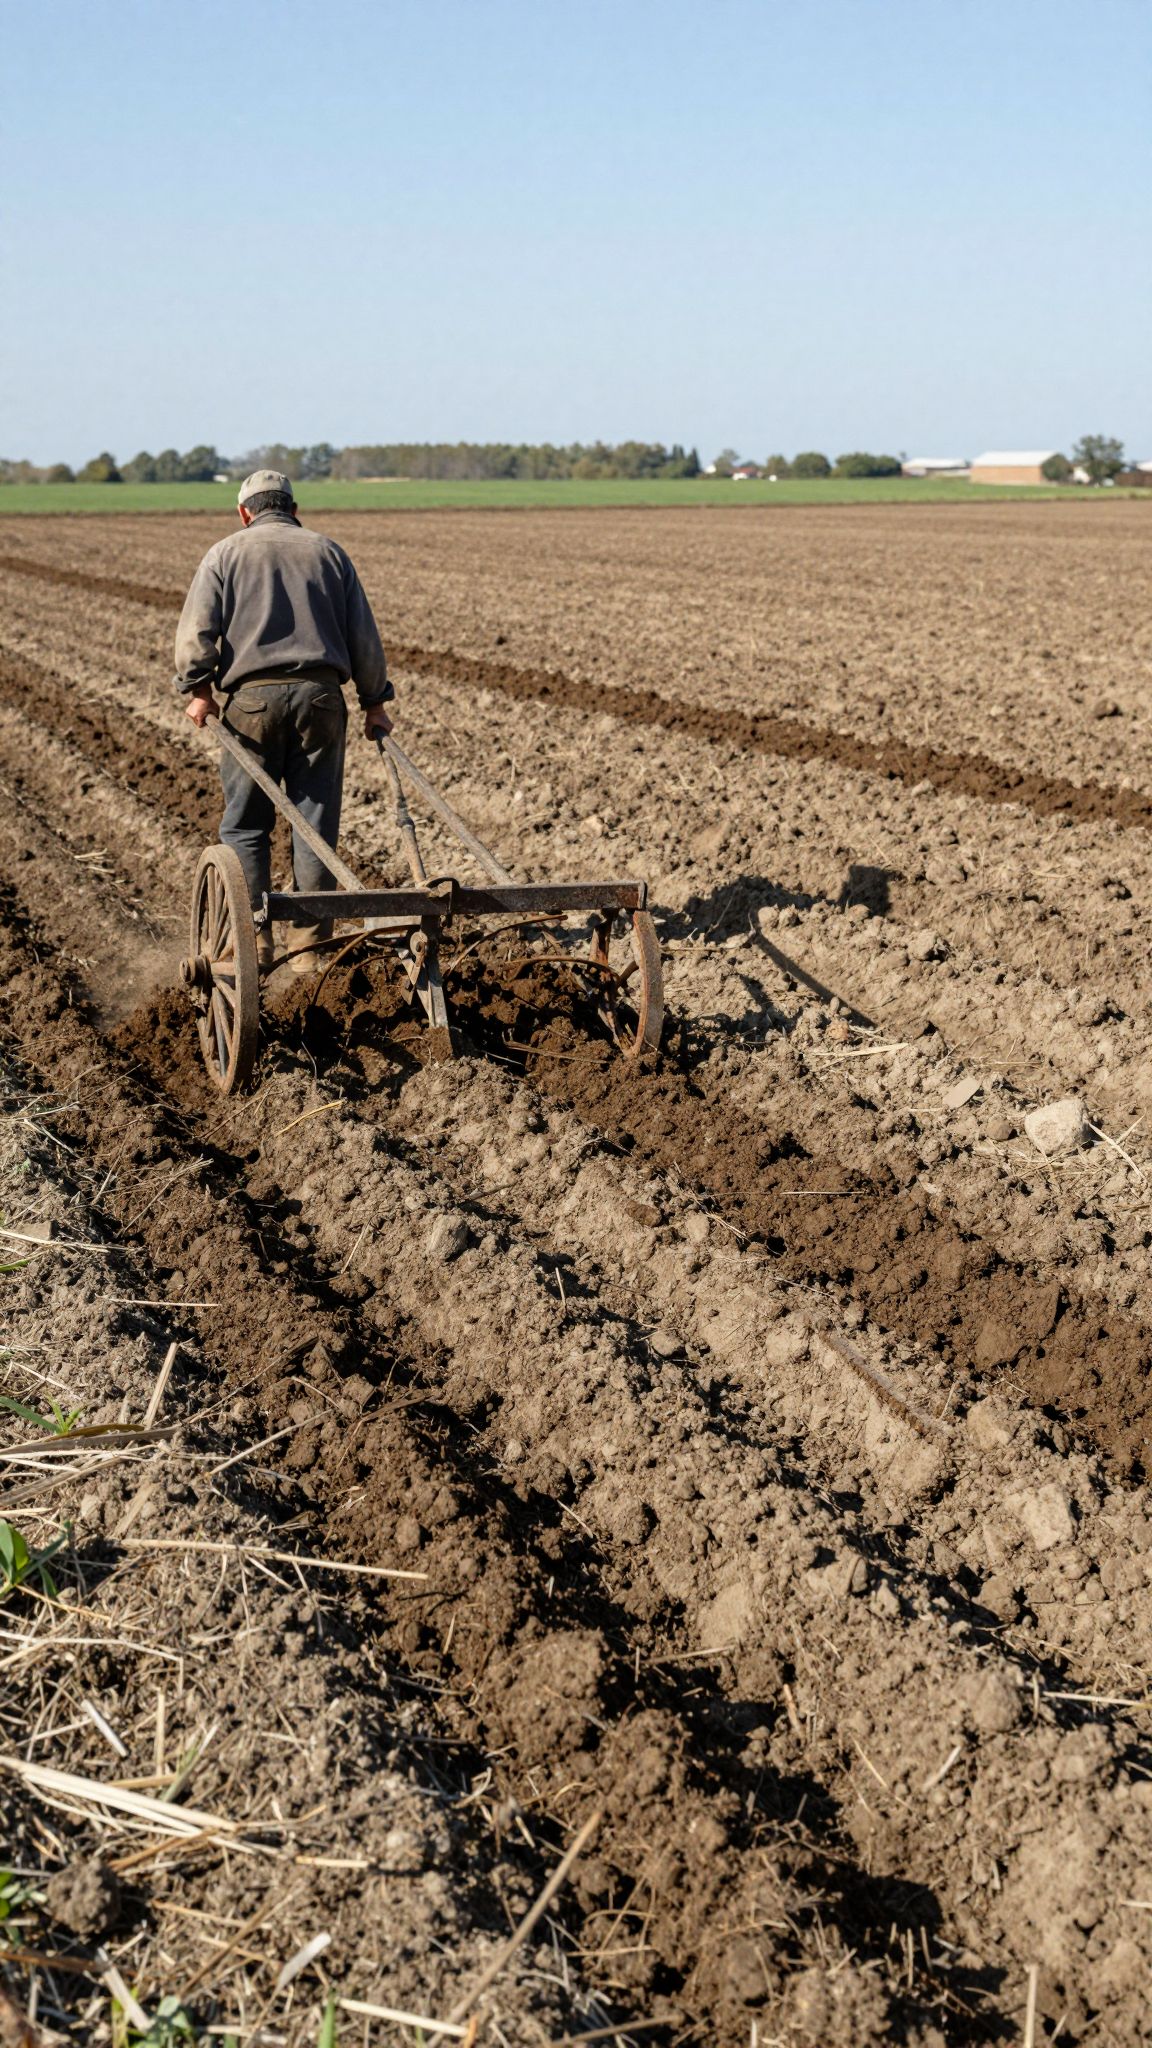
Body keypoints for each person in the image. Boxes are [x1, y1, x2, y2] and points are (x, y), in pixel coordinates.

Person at [174, 469, 395, 972]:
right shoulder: (328, 552)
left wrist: (199, 690)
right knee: (313, 822)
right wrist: (374, 703)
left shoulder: (225, 554)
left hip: (250, 703)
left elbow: (196, 634)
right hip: (322, 700)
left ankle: (250, 942)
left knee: (247, 824)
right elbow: (364, 637)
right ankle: (309, 952)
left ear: (244, 513)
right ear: (294, 509)